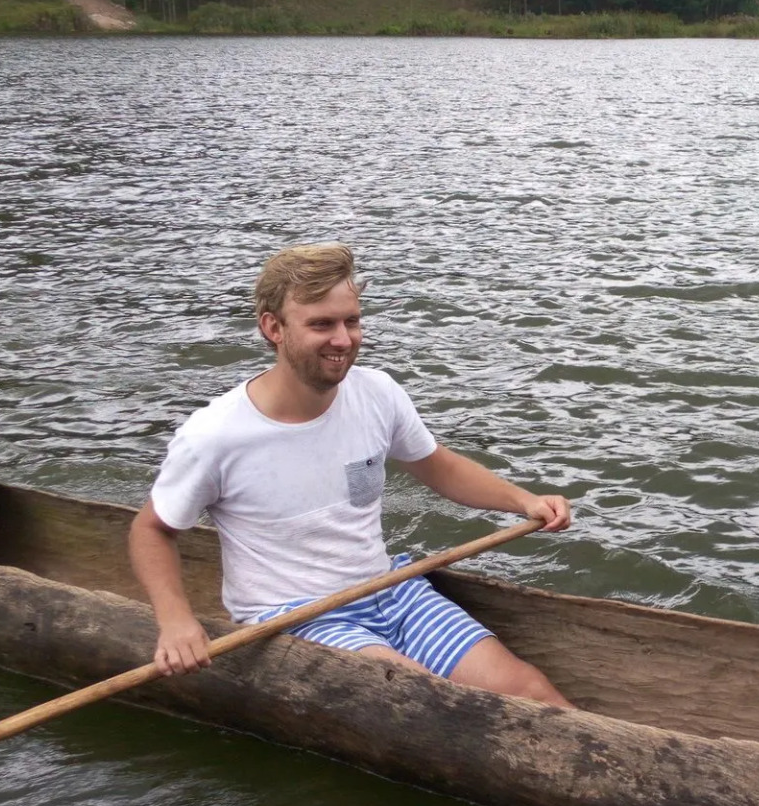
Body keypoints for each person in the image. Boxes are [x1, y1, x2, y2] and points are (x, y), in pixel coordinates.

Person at [129, 242, 572, 707]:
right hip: (295, 617)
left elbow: (437, 464)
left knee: (531, 692)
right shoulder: (214, 436)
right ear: (273, 328)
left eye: (351, 321)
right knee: (430, 704)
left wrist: (524, 501)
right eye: (321, 324)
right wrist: (177, 621)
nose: (343, 339)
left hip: (387, 589)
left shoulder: (377, 393)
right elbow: (152, 529)